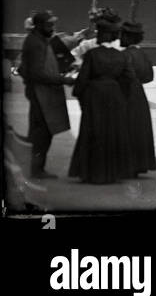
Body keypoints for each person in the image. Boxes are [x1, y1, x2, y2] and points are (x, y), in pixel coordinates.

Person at [68, 10, 136, 185]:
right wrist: (121, 95)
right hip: (114, 95)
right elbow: (129, 79)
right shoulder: (121, 55)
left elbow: (82, 79)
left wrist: (80, 95)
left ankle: (91, 172)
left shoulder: (91, 54)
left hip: (94, 95)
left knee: (93, 132)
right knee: (112, 132)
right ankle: (112, 172)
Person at [18, 10, 75, 179]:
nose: (53, 27)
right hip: (40, 94)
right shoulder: (35, 43)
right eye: (49, 25)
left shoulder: (40, 40)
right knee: (41, 134)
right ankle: (36, 170)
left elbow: (25, 69)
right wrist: (63, 80)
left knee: (42, 132)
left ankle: (35, 168)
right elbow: (37, 74)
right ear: (40, 25)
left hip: (40, 92)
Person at [120, 20, 156, 178]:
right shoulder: (143, 54)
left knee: (125, 127)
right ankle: (139, 164)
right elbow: (149, 76)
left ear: (128, 38)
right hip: (139, 94)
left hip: (124, 92)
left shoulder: (124, 55)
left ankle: (125, 165)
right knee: (138, 128)